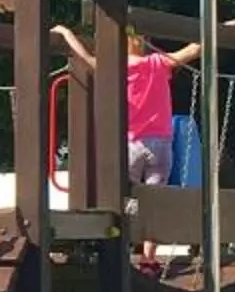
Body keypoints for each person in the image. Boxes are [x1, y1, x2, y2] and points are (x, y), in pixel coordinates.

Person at [51, 21, 203, 187]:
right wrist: (223, 28)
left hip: (133, 142)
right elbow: (194, 49)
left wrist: (66, 33)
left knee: (125, 195)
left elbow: (85, 58)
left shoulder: (117, 67)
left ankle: (131, 211)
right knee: (158, 197)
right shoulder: (158, 62)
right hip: (161, 144)